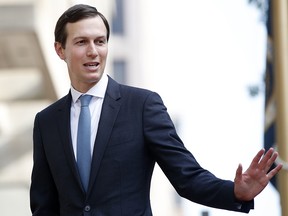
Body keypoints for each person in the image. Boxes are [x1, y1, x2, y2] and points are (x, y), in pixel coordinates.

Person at [30, 4, 282, 216]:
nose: (93, 51)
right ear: (60, 50)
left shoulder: (142, 106)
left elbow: (187, 176)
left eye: (100, 41)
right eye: (81, 42)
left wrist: (235, 192)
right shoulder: (46, 122)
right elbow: (44, 204)